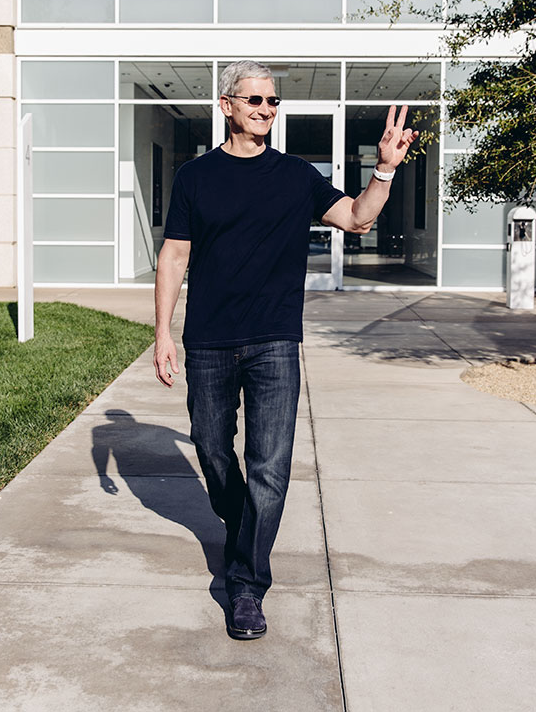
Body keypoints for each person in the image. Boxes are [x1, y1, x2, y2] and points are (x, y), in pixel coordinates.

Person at [153, 60, 415, 640]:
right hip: (210, 341)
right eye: (254, 101)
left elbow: (356, 218)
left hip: (274, 342)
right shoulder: (195, 178)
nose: (266, 111)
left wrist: (385, 171)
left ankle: (246, 586)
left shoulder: (296, 175)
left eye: (273, 102)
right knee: (212, 450)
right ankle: (243, 521)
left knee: (269, 468)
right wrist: (163, 332)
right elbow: (174, 257)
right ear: (227, 106)